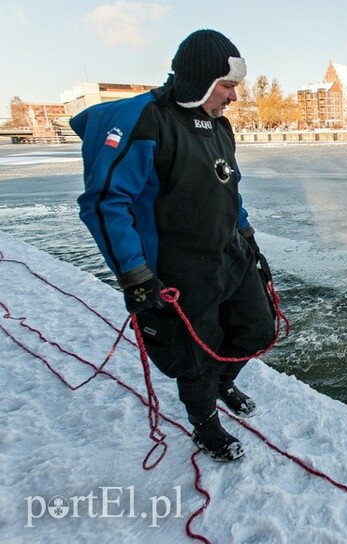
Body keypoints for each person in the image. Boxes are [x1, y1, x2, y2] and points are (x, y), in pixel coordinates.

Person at [71, 29, 277, 462]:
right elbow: (106, 203)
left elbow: (227, 186)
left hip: (228, 254)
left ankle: (222, 384)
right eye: (228, 86)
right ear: (201, 79)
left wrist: (246, 234)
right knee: (195, 354)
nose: (234, 98)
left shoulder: (219, 127)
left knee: (259, 328)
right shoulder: (149, 122)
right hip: (177, 267)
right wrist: (134, 272)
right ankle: (205, 423)